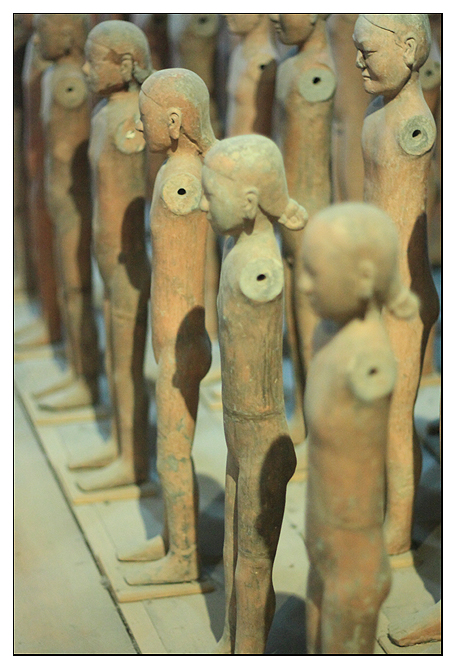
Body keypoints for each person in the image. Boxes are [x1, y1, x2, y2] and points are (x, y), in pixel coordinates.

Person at [200, 134, 307, 654]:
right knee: (233, 549)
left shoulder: (259, 266)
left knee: (252, 562)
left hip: (262, 440)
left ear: (247, 203)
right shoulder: (236, 245)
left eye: (211, 195)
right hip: (240, 433)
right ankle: (234, 640)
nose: (202, 205)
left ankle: (247, 651)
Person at [301, 202, 419, 654]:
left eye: (314, 272)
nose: (303, 284)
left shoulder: (370, 361)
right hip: (322, 537)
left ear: (365, 279)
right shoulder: (327, 333)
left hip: (353, 562)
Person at [120, 69, 216, 585]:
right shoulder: (174, 171)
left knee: (173, 452)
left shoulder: (185, 178)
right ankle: (174, 536)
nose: (138, 126)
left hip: (182, 343)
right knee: (170, 450)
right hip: (174, 338)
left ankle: (184, 557)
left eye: (146, 117)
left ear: (175, 121)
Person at [355, 14, 440, 556]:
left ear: (409, 48)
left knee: (394, 414)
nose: (358, 62)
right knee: (378, 406)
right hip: (378, 288)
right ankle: (384, 504)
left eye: (368, 51)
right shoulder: (377, 110)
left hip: (404, 295)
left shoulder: (415, 124)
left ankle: (399, 524)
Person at [73, 20, 153, 490]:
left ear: (125, 65)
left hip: (126, 263)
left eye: (93, 61)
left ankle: (134, 459)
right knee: (115, 360)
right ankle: (121, 444)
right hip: (108, 257)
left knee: (126, 365)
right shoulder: (106, 111)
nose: (84, 70)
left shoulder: (129, 121)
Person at [268, 14, 335, 455]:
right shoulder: (291, 65)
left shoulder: (318, 71)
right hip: (291, 207)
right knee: (294, 324)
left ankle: (322, 431)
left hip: (309, 212)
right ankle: (304, 416)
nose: (274, 16)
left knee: (312, 330)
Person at [34, 14, 100, 411]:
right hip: (60, 200)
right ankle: (77, 368)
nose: (36, 40)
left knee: (77, 289)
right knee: (68, 286)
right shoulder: (54, 76)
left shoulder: (70, 81)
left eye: (43, 32)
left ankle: (87, 376)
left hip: (75, 205)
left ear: (66, 36)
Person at [224, 14, 277, 138]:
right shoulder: (239, 52)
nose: (225, 14)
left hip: (250, 148)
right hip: (232, 146)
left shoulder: (264, 63)